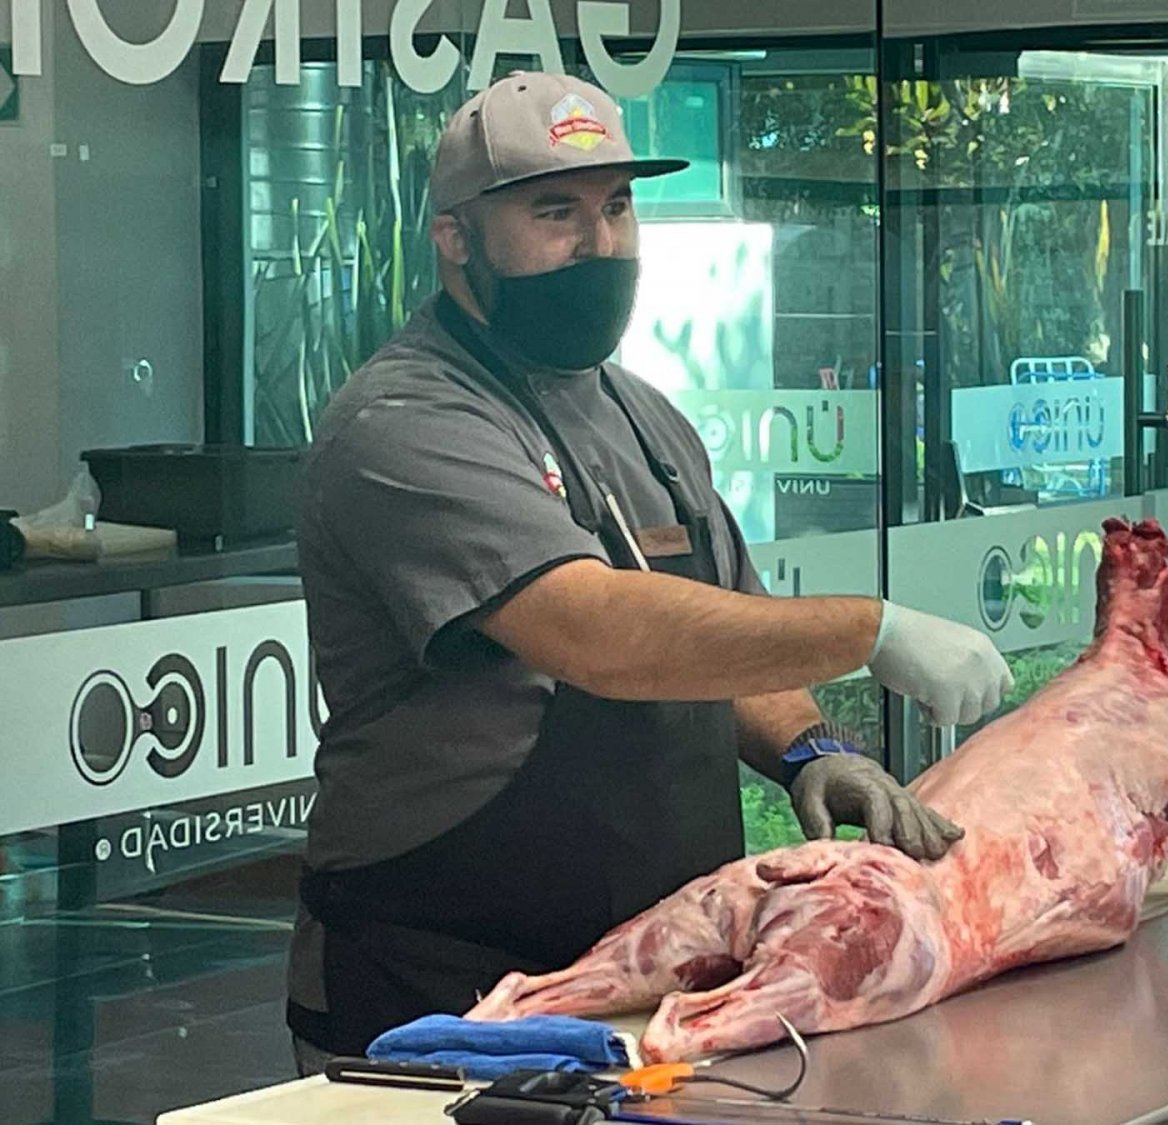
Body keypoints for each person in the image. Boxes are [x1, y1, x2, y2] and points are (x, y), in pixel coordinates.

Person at [285, 70, 1013, 1073]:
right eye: (556, 213)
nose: (600, 244)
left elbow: (718, 629)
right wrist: (872, 628)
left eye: (617, 208)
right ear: (455, 237)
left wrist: (810, 752)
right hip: (438, 983)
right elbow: (598, 632)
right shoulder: (404, 422)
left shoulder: (645, 417)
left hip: (650, 977)